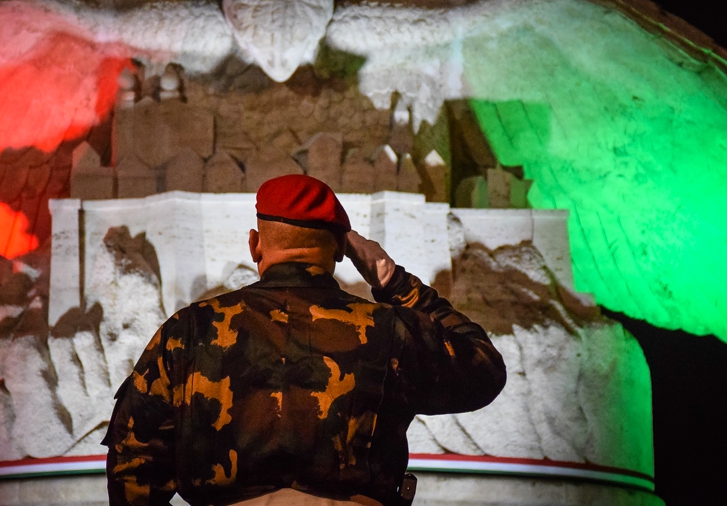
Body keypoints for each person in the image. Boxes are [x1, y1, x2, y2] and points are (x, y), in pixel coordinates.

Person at [103, 175, 506, 506]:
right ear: (340, 251)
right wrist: (392, 280)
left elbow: (133, 457)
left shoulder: (190, 330)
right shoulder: (387, 329)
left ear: (255, 244)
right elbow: (483, 369)